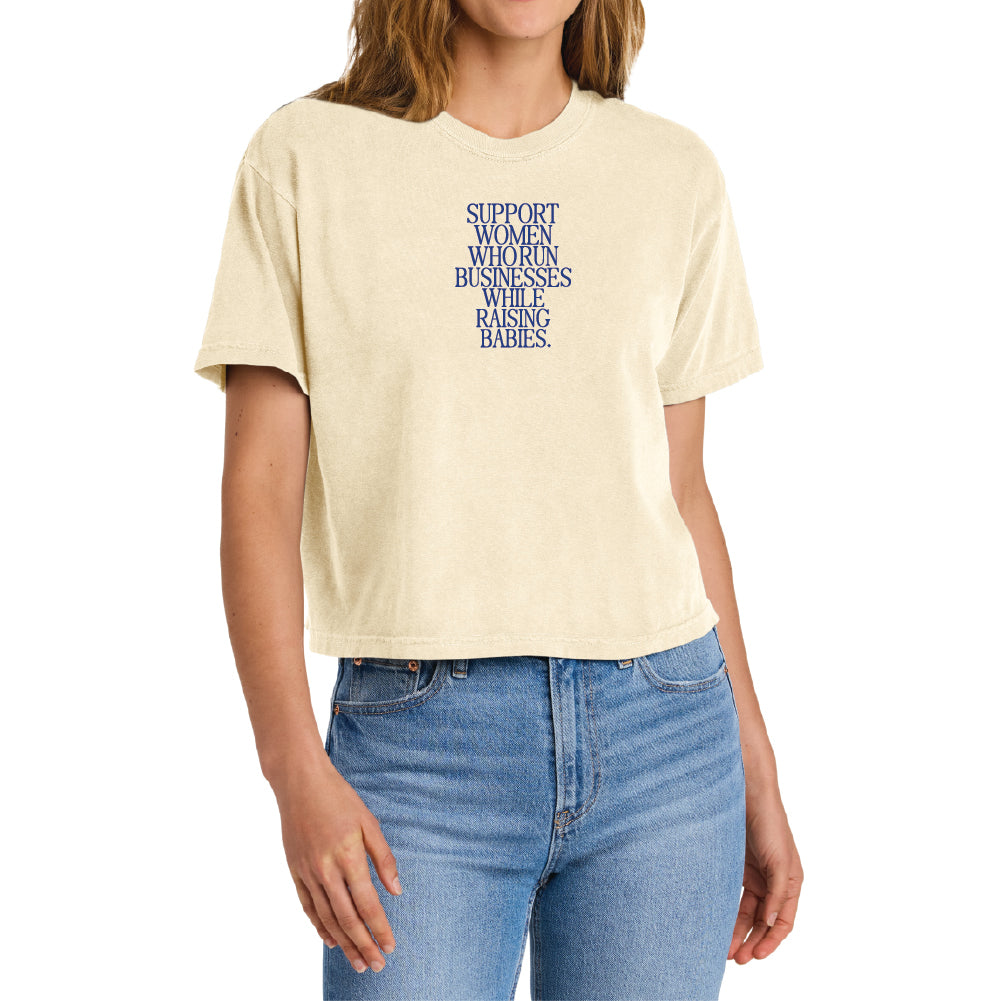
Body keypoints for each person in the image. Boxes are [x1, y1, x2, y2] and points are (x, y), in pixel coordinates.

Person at [192, 1, 803, 998]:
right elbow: (258, 492)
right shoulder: (305, 160)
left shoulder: (672, 173)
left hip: (666, 743)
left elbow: (682, 492)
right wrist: (291, 765)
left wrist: (759, 770)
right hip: (418, 757)